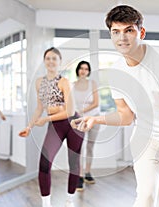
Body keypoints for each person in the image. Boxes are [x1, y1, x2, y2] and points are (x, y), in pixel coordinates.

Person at [71, 5, 159, 207]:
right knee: (146, 196)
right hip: (147, 140)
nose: (123, 38)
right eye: (116, 32)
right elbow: (126, 116)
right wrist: (95, 118)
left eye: (129, 30)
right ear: (111, 36)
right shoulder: (116, 73)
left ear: (141, 32)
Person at [19, 47, 84, 207]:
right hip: (56, 125)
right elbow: (40, 108)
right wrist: (30, 126)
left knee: (74, 163)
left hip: (73, 123)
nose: (51, 61)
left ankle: (69, 200)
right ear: (44, 61)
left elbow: (69, 112)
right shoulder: (39, 82)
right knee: (44, 164)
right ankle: (46, 203)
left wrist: (46, 119)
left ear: (59, 62)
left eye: (54, 58)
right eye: (48, 58)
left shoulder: (64, 82)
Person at [73, 61, 100, 191]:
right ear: (78, 70)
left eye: (86, 69)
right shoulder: (72, 86)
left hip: (93, 118)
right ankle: (80, 175)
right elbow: (70, 104)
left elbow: (96, 103)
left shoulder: (92, 84)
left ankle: (88, 173)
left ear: (88, 71)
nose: (83, 71)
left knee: (90, 146)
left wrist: (82, 110)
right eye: (81, 68)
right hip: (80, 119)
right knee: (79, 148)